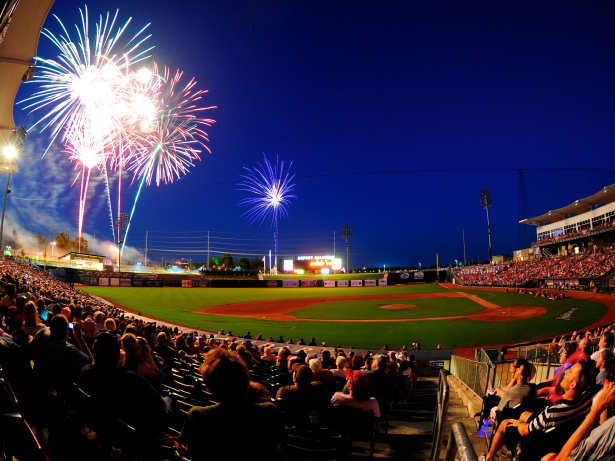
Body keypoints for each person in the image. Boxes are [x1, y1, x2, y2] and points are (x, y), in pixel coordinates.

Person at [178, 349, 282, 460]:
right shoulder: (269, 411)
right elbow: (276, 446)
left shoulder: (196, 415)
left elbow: (190, 453)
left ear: (209, 387)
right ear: (245, 380)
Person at [480, 360, 594, 461]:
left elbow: (525, 430)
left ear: (573, 384)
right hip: (557, 432)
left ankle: (488, 456)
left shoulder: (552, 412)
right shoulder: (588, 398)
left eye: (570, 371)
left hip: (539, 441)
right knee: (524, 414)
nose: (566, 371)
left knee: (502, 422)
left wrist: (519, 423)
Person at [80, 332, 170, 435]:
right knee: (169, 399)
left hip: (100, 424)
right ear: (118, 355)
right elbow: (162, 406)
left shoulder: (86, 371)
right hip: (131, 433)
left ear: (94, 352)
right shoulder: (132, 379)